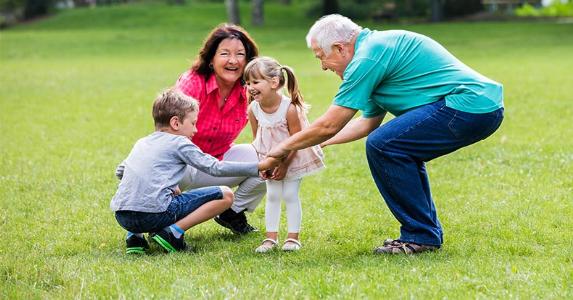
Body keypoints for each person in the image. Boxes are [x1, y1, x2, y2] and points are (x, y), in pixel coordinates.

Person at [264, 14, 504, 255]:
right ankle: (423, 234)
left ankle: (420, 235)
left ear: (339, 48)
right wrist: (314, 146)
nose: (323, 66)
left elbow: (330, 124)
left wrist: (280, 149)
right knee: (393, 146)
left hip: (467, 105)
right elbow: (367, 122)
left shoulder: (368, 57)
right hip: (479, 107)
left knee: (385, 144)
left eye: (322, 57)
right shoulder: (373, 52)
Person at [110, 88, 273, 254]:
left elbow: (121, 171)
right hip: (155, 215)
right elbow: (214, 167)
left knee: (140, 195)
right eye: (193, 123)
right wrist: (258, 167)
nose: (195, 130)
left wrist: (169, 186)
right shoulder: (180, 142)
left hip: (123, 216)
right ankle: (172, 233)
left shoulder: (142, 142)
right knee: (225, 194)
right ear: (175, 123)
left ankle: (135, 237)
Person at [175, 24, 264, 235]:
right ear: (211, 59)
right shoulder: (192, 84)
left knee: (267, 156)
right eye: (225, 54)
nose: (233, 61)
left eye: (240, 54)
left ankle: (232, 212)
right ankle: (158, 220)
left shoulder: (250, 90)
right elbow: (168, 136)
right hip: (180, 166)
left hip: (215, 164)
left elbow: (264, 133)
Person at [243, 57, 325, 253]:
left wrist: (285, 164)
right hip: (270, 160)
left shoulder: (289, 109)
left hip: (292, 158)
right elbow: (258, 140)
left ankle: (292, 238)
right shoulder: (253, 109)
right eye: (247, 83)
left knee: (289, 195)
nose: (250, 87)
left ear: (273, 83)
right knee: (272, 195)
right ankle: (270, 238)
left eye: (255, 82)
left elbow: (297, 141)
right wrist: (264, 164)